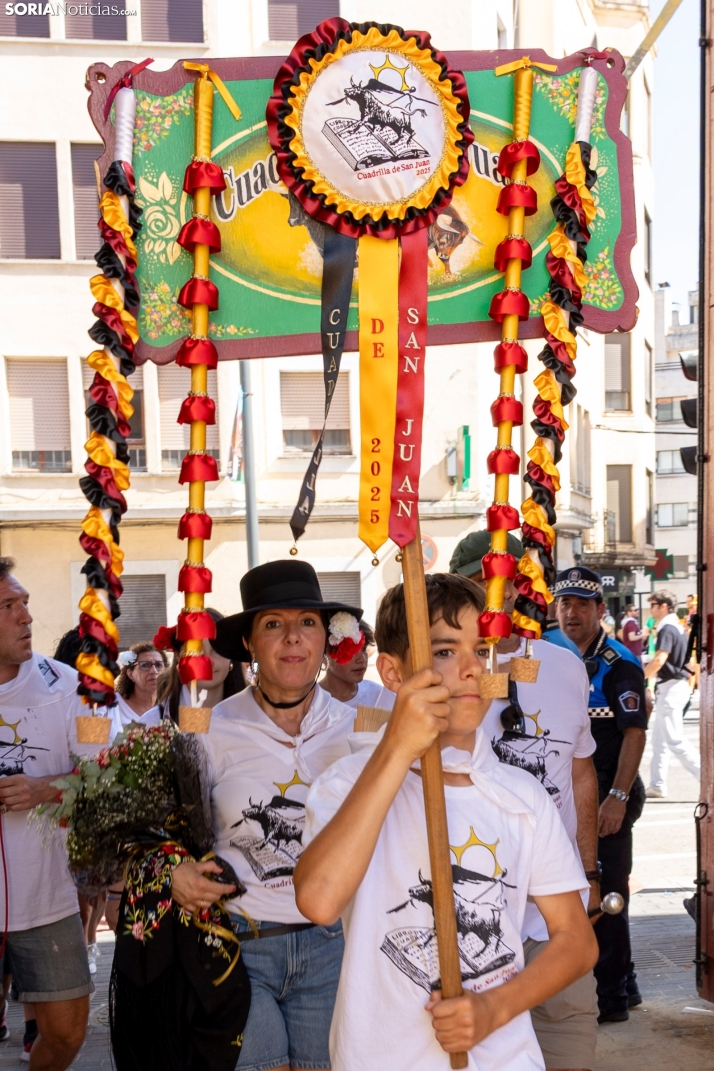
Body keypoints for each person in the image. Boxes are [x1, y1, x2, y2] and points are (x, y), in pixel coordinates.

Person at [294, 572, 597, 1071]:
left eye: (480, 651)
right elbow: (320, 901)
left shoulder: (519, 795)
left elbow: (576, 940)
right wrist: (398, 746)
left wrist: (492, 1008)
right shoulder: (346, 784)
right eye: (443, 652)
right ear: (392, 673)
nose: (469, 669)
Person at [169, 560, 362, 1071]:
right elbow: (161, 833)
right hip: (240, 947)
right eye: (274, 624)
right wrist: (176, 870)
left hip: (334, 947)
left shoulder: (361, 731)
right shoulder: (208, 729)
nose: (293, 639)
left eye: (307, 624)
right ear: (250, 645)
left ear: (326, 640)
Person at [450, 534, 601, 1068]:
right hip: (475, 928)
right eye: (479, 578)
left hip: (553, 924)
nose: (496, 589)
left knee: (570, 1056)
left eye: (507, 577)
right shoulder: (440, 678)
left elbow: (580, 774)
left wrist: (589, 872)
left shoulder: (564, 667)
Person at [0, 558, 92, 1070]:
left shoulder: (69, 686)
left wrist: (45, 789)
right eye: (8, 607)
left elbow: (108, 777)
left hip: (45, 896)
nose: (26, 617)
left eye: (25, 603)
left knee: (67, 1033)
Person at [554, 566, 647, 1023]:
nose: (571, 613)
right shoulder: (556, 659)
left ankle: (611, 1001)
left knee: (606, 897)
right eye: (564, 604)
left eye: (581, 605)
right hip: (577, 796)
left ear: (598, 610)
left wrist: (618, 796)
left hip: (611, 795)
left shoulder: (618, 664)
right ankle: (624, 986)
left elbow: (634, 735)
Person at [52, 629, 106, 978]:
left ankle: (85, 948)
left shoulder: (98, 703)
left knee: (91, 894)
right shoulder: (63, 696)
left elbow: (98, 759)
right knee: (73, 900)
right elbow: (87, 764)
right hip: (60, 818)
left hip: (91, 815)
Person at [449, 530, 582, 658]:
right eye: (487, 580)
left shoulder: (564, 664)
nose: (506, 593)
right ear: (456, 593)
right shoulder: (436, 670)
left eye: (515, 579)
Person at [644, 590, 700, 798]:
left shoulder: (667, 627)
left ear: (664, 606)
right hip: (674, 686)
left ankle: (707, 779)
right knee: (659, 741)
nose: (651, 609)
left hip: (672, 687)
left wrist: (640, 676)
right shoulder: (676, 626)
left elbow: (660, 659)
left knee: (675, 741)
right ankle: (657, 784)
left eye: (653, 605)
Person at [153, 608, 246, 722]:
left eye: (217, 649)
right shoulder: (152, 725)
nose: (208, 661)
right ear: (178, 655)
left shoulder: (255, 718)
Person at [320, 619, 394, 710]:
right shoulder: (308, 702)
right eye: (350, 651)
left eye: (364, 649)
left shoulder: (380, 697)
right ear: (323, 655)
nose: (362, 659)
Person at [110, 642, 167, 736]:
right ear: (130, 674)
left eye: (158, 665)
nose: (154, 671)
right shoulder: (112, 706)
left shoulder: (170, 705)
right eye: (145, 665)